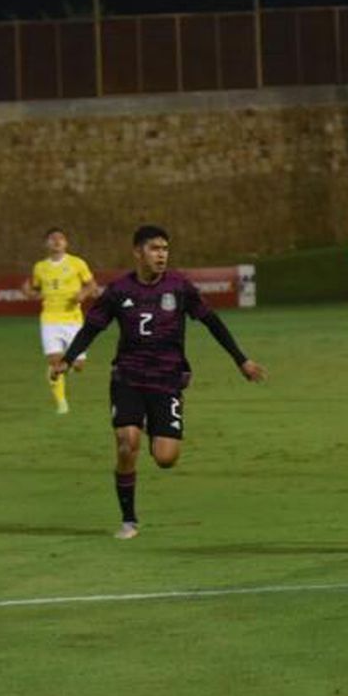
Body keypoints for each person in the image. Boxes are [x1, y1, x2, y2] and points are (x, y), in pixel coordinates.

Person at [51, 225, 266, 539]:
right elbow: (92, 327)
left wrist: (241, 359)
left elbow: (212, 322)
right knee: (127, 444)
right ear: (138, 252)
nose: (161, 254)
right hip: (128, 377)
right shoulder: (119, 290)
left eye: (165, 248)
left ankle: (154, 425)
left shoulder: (180, 288)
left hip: (167, 380)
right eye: (154, 248)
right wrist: (68, 359)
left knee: (166, 458)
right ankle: (129, 520)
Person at [22, 228, 100, 414]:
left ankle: (62, 370)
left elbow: (92, 285)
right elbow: (33, 289)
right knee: (54, 361)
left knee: (79, 365)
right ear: (46, 244)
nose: (57, 242)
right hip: (50, 319)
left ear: (66, 243)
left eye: (60, 239)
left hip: (73, 320)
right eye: (52, 239)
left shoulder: (77, 263)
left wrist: (83, 293)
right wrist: (29, 292)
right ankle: (61, 403)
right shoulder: (40, 267)